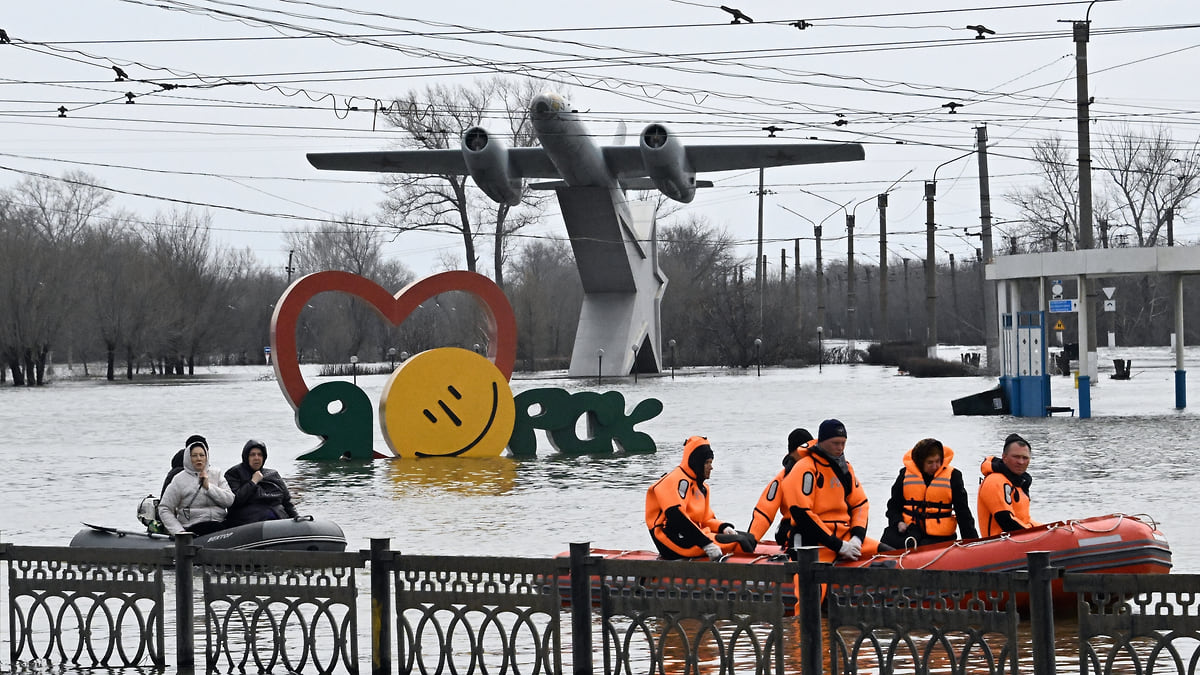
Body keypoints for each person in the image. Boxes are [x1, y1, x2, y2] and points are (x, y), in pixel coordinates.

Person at [779, 419, 879, 563]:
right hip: (815, 542)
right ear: (822, 442)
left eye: (843, 443)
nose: (840, 448)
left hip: (845, 535)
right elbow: (801, 513)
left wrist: (857, 538)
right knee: (816, 582)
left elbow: (860, 504)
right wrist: (839, 546)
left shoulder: (846, 469)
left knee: (892, 554)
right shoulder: (804, 468)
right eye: (835, 443)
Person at [645, 436, 757, 560]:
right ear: (697, 462)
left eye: (711, 462)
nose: (711, 467)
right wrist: (706, 544)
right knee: (740, 542)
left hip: (693, 535)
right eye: (707, 462)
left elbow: (705, 519)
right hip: (671, 540)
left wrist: (723, 527)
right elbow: (677, 518)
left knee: (750, 538)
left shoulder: (702, 488)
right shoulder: (673, 481)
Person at [879, 438, 978, 550]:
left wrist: (972, 542)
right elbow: (893, 507)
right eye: (930, 462)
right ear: (920, 462)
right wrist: (898, 522)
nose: (935, 466)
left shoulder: (953, 476)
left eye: (938, 461)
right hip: (909, 534)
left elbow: (963, 513)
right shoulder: (904, 475)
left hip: (940, 538)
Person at [747, 428, 814, 546]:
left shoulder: (820, 472)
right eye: (803, 450)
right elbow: (765, 511)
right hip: (790, 529)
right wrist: (751, 539)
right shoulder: (782, 478)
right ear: (793, 452)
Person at [158, 437, 234, 535]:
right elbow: (165, 508)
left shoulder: (216, 474)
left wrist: (209, 487)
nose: (199, 458)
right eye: (194, 455)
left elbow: (229, 501)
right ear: (188, 458)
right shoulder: (179, 479)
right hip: (193, 528)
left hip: (219, 524)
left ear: (206, 457)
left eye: (202, 455)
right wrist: (179, 532)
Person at [978, 433, 1042, 537]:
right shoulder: (995, 480)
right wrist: (1037, 535)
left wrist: (1050, 529)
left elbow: (1025, 519)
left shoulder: (1019, 483)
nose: (1021, 462)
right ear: (1004, 457)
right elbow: (1006, 520)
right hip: (999, 545)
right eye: (1016, 457)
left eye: (1025, 458)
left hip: (1019, 541)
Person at [224, 439, 299, 526]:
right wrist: (253, 482)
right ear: (246, 457)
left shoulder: (273, 474)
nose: (256, 458)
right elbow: (235, 500)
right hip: (248, 519)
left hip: (277, 515)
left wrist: (296, 518)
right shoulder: (234, 473)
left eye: (260, 455)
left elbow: (287, 502)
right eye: (252, 455)